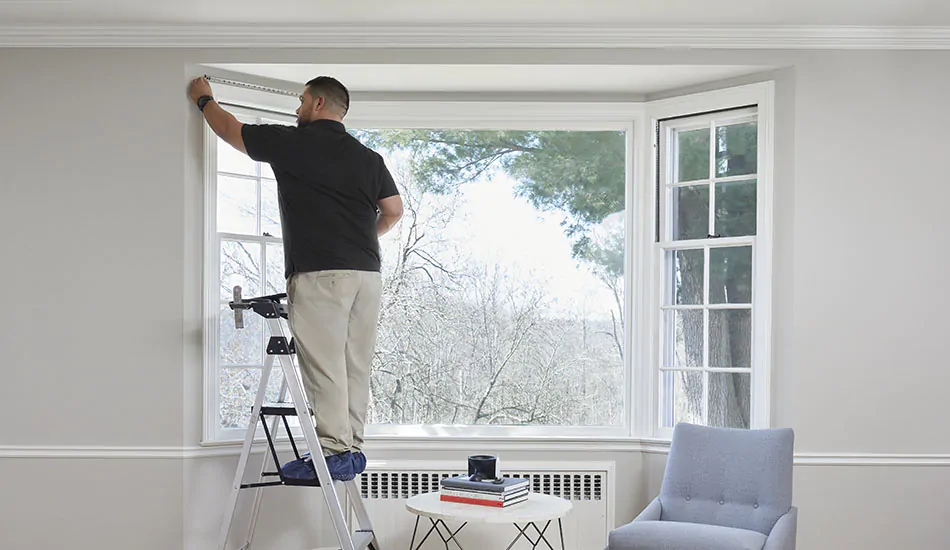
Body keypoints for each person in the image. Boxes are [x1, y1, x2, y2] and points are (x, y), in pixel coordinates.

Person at [189, 75, 403, 481]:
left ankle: (334, 450)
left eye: (302, 101)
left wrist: (204, 100)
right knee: (355, 364)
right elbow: (393, 210)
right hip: (367, 276)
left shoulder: (294, 143)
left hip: (321, 274)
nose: (297, 108)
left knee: (324, 366)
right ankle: (352, 446)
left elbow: (231, 131)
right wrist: (359, 238)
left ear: (319, 104)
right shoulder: (369, 159)